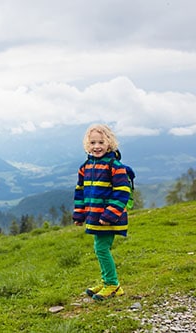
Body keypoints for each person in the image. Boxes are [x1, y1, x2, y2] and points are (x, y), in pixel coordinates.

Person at [72, 124, 131, 301]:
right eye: (92, 142)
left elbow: (122, 191)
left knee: (101, 248)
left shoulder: (115, 166)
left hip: (108, 218)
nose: (96, 146)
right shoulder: (85, 167)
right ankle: (109, 282)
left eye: (101, 142)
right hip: (94, 217)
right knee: (100, 248)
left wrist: (109, 215)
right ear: (87, 145)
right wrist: (79, 214)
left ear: (109, 143)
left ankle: (112, 284)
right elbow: (80, 191)